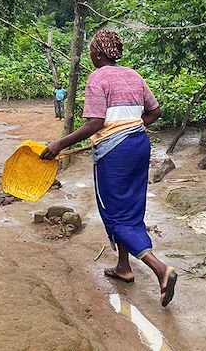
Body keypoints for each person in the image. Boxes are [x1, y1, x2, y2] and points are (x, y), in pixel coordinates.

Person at [40, 30, 177, 306]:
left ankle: (160, 269)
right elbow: (154, 112)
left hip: (115, 154)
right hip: (139, 145)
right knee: (131, 208)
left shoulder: (97, 77)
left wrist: (59, 144)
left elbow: (95, 123)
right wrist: (128, 130)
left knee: (114, 214)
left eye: (91, 51)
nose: (90, 55)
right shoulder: (134, 76)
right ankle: (123, 267)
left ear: (99, 54)